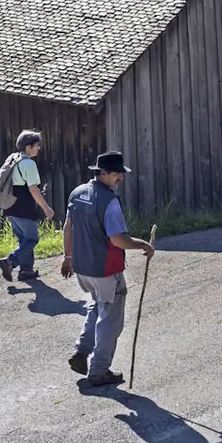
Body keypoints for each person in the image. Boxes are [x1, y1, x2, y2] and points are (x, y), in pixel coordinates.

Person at [61, 150, 155, 387]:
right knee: (111, 318)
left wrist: (68, 257)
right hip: (104, 269)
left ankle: (81, 352)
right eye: (117, 174)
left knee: (97, 305)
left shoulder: (77, 194)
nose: (121, 178)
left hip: (83, 268)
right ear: (102, 173)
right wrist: (141, 244)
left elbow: (68, 228)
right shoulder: (109, 201)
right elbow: (117, 240)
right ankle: (99, 370)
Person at [0, 130, 53, 284]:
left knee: (24, 240)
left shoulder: (13, 158)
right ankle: (10, 261)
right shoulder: (28, 163)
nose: (39, 148)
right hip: (24, 207)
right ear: (29, 147)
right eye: (37, 145)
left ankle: (26, 270)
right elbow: (33, 189)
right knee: (32, 239)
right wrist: (46, 208)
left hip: (9, 206)